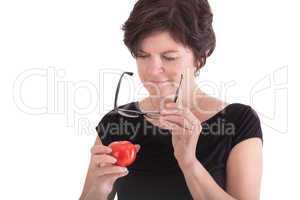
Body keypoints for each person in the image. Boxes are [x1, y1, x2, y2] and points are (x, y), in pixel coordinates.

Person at [79, 0, 263, 199]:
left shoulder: (238, 122)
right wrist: (99, 189)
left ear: (201, 56)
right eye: (143, 56)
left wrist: (189, 163)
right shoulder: (116, 122)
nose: (152, 70)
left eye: (169, 57)